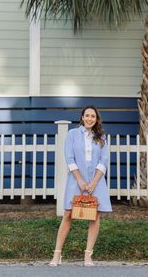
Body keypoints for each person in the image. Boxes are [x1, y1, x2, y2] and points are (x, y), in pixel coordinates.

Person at [49, 105, 112, 267]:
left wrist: (93, 183)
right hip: (76, 180)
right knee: (68, 214)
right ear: (82, 117)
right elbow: (69, 158)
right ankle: (57, 255)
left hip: (96, 181)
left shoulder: (101, 137)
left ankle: (88, 256)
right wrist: (80, 180)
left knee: (95, 216)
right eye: (87, 116)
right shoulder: (72, 134)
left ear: (96, 119)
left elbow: (103, 161)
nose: (90, 119)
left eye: (93, 116)